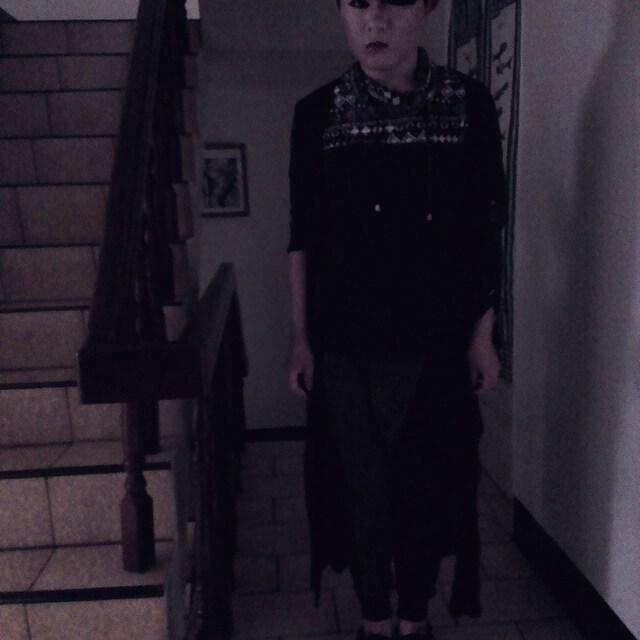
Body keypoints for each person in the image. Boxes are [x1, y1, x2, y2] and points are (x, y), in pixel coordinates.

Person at [285, 1, 505, 638]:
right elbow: (303, 236)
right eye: (357, 2)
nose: (374, 20)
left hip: (436, 342)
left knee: (425, 486)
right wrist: (300, 338)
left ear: (427, 8)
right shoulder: (316, 113)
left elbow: (483, 229)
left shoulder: (469, 105)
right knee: (361, 489)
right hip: (344, 345)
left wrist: (482, 338)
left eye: (393, 1)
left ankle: (414, 618)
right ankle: (374, 618)